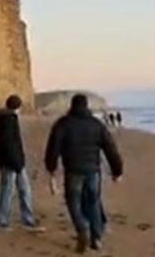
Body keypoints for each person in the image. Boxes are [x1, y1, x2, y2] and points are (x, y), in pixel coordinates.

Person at [44, 94, 123, 254]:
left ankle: (82, 227)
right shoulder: (96, 125)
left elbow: (53, 149)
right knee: (93, 203)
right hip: (93, 171)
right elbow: (111, 149)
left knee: (73, 202)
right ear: (87, 106)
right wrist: (117, 171)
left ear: (72, 105)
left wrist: (51, 168)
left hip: (73, 171)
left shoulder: (63, 124)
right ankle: (96, 238)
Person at [0, 94, 45, 232]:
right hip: (11, 162)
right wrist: (17, 163)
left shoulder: (8, 119)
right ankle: (1, 220)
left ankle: (28, 219)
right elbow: (9, 144)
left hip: (13, 161)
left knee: (24, 189)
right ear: (18, 107)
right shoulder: (9, 120)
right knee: (8, 190)